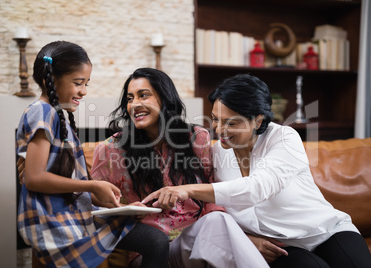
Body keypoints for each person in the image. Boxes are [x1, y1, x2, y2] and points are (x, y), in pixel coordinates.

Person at [142, 73, 371, 268]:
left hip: (325, 231)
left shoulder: (283, 138)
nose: (219, 130)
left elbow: (258, 188)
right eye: (215, 119)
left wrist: (187, 190)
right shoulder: (218, 153)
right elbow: (215, 211)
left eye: (231, 122)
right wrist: (246, 239)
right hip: (281, 247)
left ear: (257, 120)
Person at [91, 67, 268, 267]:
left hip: (197, 241)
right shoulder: (110, 150)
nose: (135, 104)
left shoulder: (196, 138)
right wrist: (126, 210)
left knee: (217, 219)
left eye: (144, 95)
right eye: (130, 98)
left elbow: (211, 192)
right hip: (151, 249)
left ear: (165, 98)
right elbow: (97, 204)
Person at [16, 41, 169, 268]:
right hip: (54, 221)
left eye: (86, 83)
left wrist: (120, 205)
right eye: (78, 83)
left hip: (75, 213)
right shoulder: (42, 111)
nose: (84, 91)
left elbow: (73, 185)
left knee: (156, 240)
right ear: (53, 78)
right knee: (155, 241)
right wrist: (93, 186)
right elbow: (35, 179)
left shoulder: (59, 117)